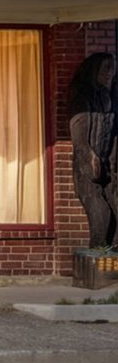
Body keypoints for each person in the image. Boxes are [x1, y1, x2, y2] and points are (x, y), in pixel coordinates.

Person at [67, 52, 117, 249]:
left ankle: (111, 261)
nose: (110, 73)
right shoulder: (82, 95)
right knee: (102, 216)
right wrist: (90, 157)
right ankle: (97, 258)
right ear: (94, 70)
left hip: (108, 164)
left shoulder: (109, 97)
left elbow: (113, 132)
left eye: (112, 68)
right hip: (86, 166)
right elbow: (79, 136)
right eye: (106, 68)